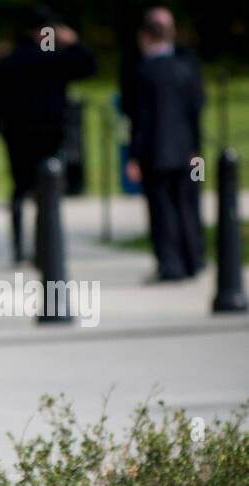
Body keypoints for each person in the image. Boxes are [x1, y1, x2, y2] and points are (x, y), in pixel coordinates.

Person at [0, 6, 97, 263]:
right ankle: (44, 247)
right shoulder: (54, 58)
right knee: (47, 191)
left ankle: (20, 248)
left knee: (21, 190)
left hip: (18, 137)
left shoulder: (10, 59)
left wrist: (5, 133)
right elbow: (90, 65)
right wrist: (73, 43)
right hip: (47, 135)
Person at [121, 6, 205, 282]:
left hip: (154, 151)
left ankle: (170, 264)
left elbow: (139, 118)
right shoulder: (187, 68)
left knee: (161, 211)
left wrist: (133, 157)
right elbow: (196, 110)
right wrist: (196, 150)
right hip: (186, 149)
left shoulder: (143, 73)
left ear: (145, 37)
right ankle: (194, 258)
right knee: (187, 206)